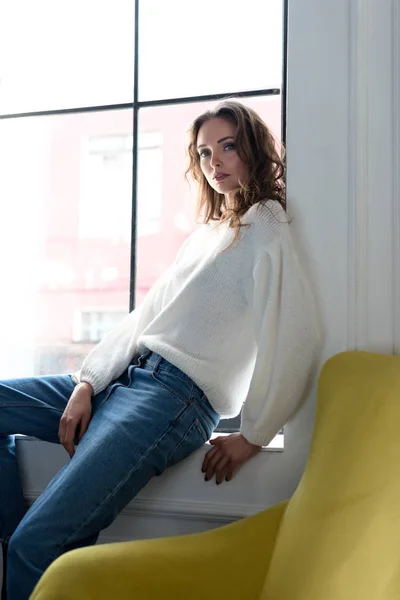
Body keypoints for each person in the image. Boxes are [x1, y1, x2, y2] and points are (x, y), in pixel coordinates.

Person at [0, 100, 319, 600]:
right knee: (25, 525)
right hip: (123, 379)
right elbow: (144, 319)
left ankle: (30, 545)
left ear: (253, 149)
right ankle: (22, 538)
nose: (215, 162)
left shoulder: (267, 224)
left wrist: (255, 433)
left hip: (172, 401)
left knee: (34, 545)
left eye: (228, 146)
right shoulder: (206, 236)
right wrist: (87, 381)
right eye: (205, 152)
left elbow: (294, 334)